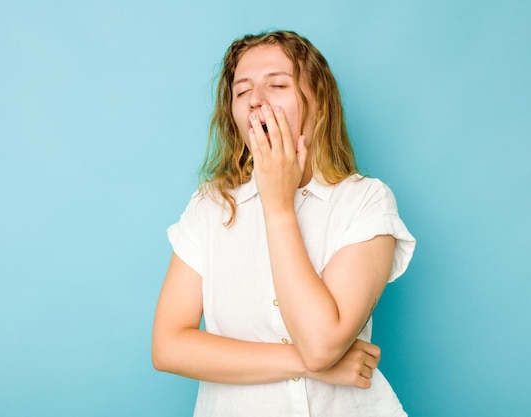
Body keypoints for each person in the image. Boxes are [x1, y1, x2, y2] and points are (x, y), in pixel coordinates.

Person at [152, 30, 416, 417]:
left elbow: (321, 344)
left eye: (277, 84)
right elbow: (168, 346)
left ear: (319, 104)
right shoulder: (210, 207)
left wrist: (278, 206)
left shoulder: (366, 201)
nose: (256, 99)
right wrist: (306, 364)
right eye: (242, 92)